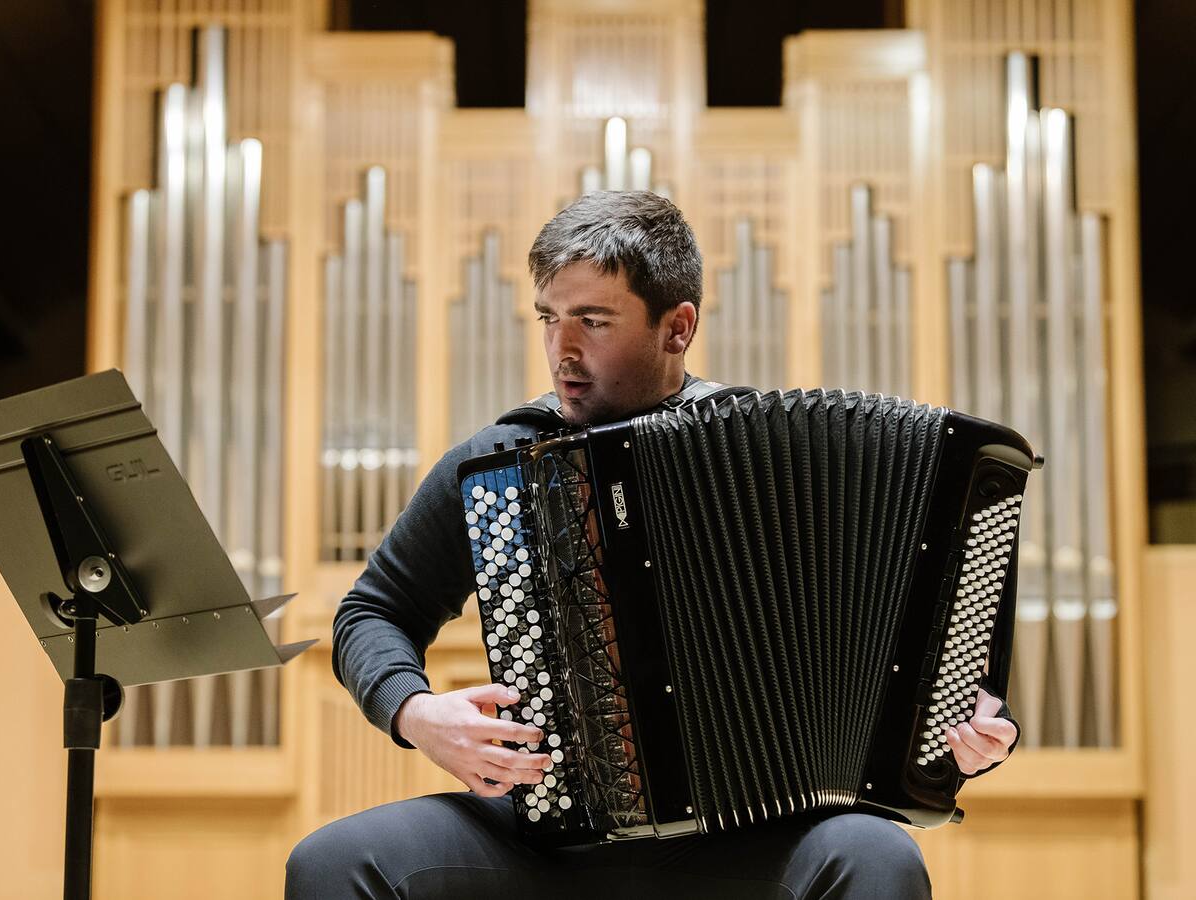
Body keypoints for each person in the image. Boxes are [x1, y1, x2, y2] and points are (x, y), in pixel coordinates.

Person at [286, 191, 1020, 899]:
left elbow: (912, 651)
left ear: (678, 327)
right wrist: (415, 712)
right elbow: (374, 611)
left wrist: (971, 727)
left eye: (593, 321)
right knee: (333, 861)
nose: (562, 349)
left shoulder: (768, 455)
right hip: (552, 833)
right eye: (549, 318)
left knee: (879, 855)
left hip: (750, 837)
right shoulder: (505, 461)